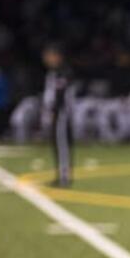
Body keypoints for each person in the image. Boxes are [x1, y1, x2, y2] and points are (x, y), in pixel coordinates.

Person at [42, 43, 75, 187]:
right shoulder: (54, 72)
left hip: (61, 113)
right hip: (55, 112)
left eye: (49, 55)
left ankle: (64, 177)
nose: (47, 58)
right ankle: (61, 175)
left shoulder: (64, 72)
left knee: (62, 145)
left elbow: (61, 95)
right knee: (57, 144)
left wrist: (55, 111)